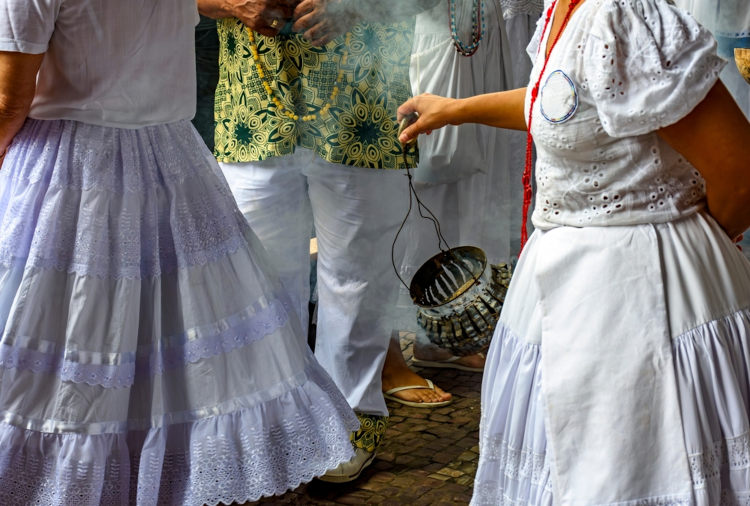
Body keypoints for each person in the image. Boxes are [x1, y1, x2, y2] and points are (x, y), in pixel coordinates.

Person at [0, 1, 359, 503]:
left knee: (72, 334)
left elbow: (7, 102)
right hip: (169, 158)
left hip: (72, 168)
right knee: (170, 336)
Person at [398, 0, 750, 503]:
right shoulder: (566, 8)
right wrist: (455, 109)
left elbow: (742, 176)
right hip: (567, 286)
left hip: (643, 298)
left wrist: (684, 244)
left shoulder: (622, 16)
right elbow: (561, 101)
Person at [197, 0, 440, 482]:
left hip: (362, 109)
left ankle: (351, 420)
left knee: (357, 277)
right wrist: (227, 3)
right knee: (253, 282)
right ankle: (269, 427)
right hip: (253, 113)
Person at [381, 0, 543, 408]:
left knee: (476, 180)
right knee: (421, 182)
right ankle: (386, 356)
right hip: (430, 32)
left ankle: (439, 334)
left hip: (477, 31)